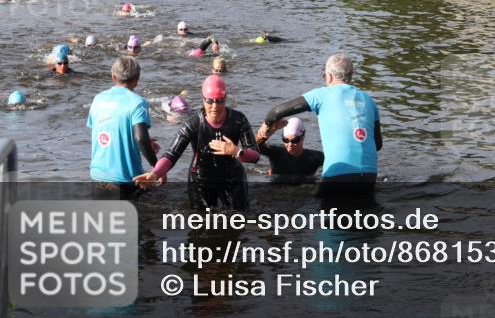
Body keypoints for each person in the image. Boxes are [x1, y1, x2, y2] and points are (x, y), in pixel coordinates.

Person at [261, 53, 381, 195]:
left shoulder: (322, 95)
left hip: (338, 176)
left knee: (310, 214)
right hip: (369, 176)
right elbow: (377, 145)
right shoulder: (369, 101)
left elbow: (276, 112)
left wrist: (266, 126)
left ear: (329, 76)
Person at [135, 75, 259, 210]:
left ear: (225, 99)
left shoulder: (238, 120)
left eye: (219, 101)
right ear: (203, 100)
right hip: (201, 179)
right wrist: (155, 173)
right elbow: (171, 154)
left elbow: (255, 155)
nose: (215, 107)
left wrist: (237, 152)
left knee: (239, 220)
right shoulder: (193, 124)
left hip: (232, 178)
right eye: (210, 101)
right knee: (200, 224)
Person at [88, 57, 160, 198]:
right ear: (137, 78)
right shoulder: (138, 103)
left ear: (113, 76)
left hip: (98, 177)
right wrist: (157, 169)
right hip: (126, 179)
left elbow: (105, 129)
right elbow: (141, 139)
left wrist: (141, 139)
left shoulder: (98, 99)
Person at [256, 117, 324, 184]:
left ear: (302, 138)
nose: (290, 144)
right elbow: (256, 147)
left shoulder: (315, 157)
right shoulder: (277, 154)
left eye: (295, 140)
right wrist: (267, 130)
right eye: (286, 140)